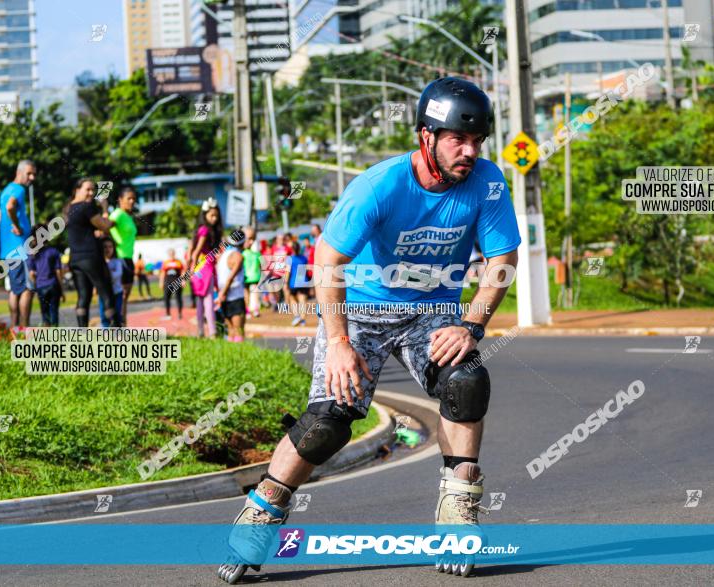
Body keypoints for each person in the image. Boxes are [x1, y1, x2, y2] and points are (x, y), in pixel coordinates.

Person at [217, 77, 520, 582]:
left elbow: (502, 257)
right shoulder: (379, 185)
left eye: (477, 142)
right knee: (326, 424)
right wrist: (337, 342)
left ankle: (457, 509)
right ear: (426, 135)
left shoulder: (486, 182)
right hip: (359, 312)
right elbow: (328, 260)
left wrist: (472, 324)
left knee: (466, 381)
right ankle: (262, 511)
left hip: (431, 313)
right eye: (457, 140)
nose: (470, 152)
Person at [65, 178, 122, 328]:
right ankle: (116, 332)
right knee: (106, 292)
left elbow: (82, 230)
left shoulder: (69, 208)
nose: (91, 193)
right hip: (90, 256)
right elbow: (105, 226)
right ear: (77, 190)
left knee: (84, 296)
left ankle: (83, 334)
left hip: (75, 258)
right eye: (87, 189)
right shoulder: (86, 207)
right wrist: (104, 209)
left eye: (93, 190)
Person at [0, 160, 36, 332]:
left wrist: (4, 226)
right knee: (27, 289)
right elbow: (10, 207)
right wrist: (18, 227)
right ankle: (25, 328)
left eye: (34, 174)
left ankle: (14, 328)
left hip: (7, 249)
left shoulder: (6, 190)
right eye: (29, 173)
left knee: (15, 289)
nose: (32, 177)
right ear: (19, 172)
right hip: (20, 248)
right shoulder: (19, 190)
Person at [189, 198, 223, 338]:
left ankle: (201, 332)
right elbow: (196, 251)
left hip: (205, 266)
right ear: (205, 215)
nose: (214, 218)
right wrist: (192, 269)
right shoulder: (205, 230)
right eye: (211, 215)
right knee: (207, 299)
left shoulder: (209, 230)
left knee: (201, 300)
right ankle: (212, 332)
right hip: (204, 267)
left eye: (216, 216)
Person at [26, 224, 65, 327]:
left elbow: (32, 274)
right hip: (53, 285)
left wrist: (36, 286)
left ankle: (47, 336)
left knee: (44, 314)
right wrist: (62, 290)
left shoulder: (32, 254)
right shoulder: (53, 251)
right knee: (54, 312)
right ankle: (55, 335)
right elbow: (58, 273)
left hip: (40, 286)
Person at [109, 187, 138, 323]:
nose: (132, 201)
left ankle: (122, 325)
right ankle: (116, 326)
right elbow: (106, 227)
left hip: (128, 258)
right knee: (120, 295)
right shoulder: (117, 214)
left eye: (134, 199)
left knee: (125, 296)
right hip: (120, 258)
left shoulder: (128, 216)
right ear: (120, 200)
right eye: (129, 198)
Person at [216, 231, 246, 342]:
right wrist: (223, 294)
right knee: (239, 331)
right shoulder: (238, 256)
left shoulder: (223, 255)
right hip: (234, 296)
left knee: (231, 330)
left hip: (225, 295)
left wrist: (220, 294)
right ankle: (241, 355)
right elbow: (230, 278)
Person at [283, 241, 311, 326]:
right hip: (304, 281)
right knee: (303, 300)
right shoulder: (304, 258)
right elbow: (307, 270)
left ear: (292, 249)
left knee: (292, 299)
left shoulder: (289, 259)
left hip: (293, 282)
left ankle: (296, 316)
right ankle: (303, 320)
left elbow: (287, 272)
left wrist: (285, 282)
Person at [99, 238, 124, 328]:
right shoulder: (99, 263)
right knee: (103, 314)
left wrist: (106, 274)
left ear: (113, 248)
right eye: (105, 247)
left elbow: (117, 274)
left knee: (116, 313)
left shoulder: (117, 262)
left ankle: (117, 332)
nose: (107, 249)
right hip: (103, 293)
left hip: (117, 293)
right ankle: (105, 331)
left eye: (110, 247)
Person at [242, 227, 262, 318]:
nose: (251, 242)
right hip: (252, 277)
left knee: (249, 294)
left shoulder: (244, 253)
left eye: (252, 239)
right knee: (253, 293)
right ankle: (253, 310)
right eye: (249, 239)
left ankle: (249, 310)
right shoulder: (256, 254)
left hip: (249, 277)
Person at [160, 248, 185, 321]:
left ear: (174, 253)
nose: (171, 255)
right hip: (168, 282)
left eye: (172, 253)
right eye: (170, 253)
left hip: (177, 282)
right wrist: (161, 282)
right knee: (166, 298)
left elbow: (182, 271)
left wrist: (183, 280)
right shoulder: (166, 262)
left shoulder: (178, 262)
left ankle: (180, 313)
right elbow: (163, 273)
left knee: (178, 298)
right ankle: (168, 314)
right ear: (168, 254)